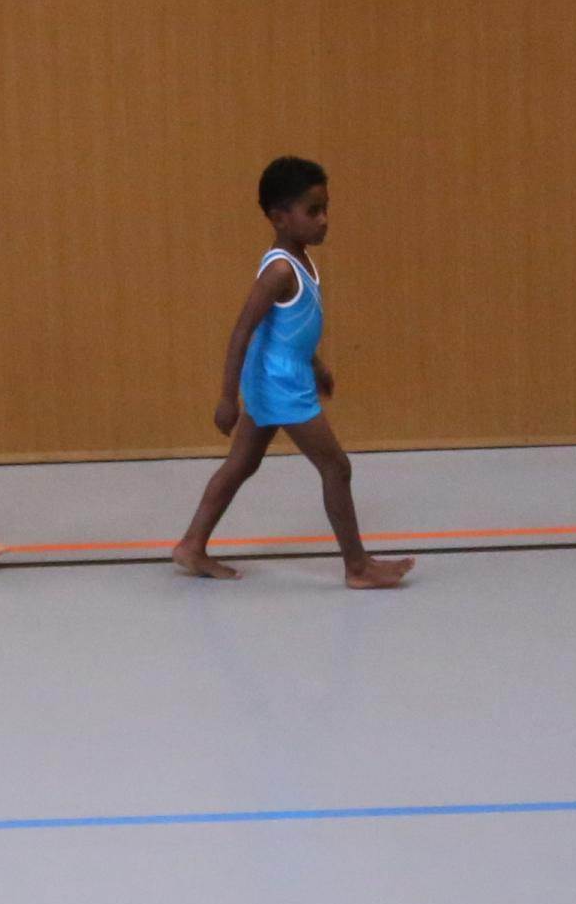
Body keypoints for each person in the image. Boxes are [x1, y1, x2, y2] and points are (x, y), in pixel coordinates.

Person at [168, 155, 411, 588]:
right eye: (313, 211)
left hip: (284, 374)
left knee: (242, 463)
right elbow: (242, 331)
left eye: (325, 208)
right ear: (280, 218)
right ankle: (357, 567)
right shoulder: (280, 270)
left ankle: (191, 545)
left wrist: (315, 363)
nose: (324, 219)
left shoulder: (301, 260)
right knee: (336, 466)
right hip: (280, 384)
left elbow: (288, 329)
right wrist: (226, 397)